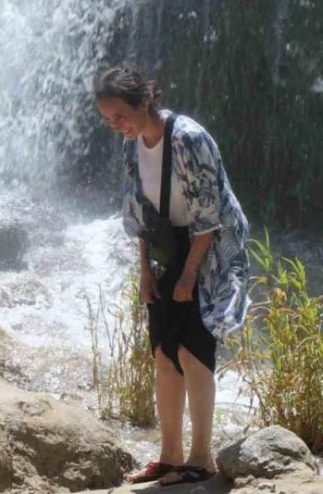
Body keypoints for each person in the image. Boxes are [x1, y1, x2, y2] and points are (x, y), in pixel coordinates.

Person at [95, 67, 250, 487]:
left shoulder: (189, 138)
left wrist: (190, 274)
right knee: (164, 351)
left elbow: (210, 214)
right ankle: (169, 456)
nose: (115, 126)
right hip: (166, 246)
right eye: (108, 120)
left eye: (120, 117)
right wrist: (145, 270)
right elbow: (140, 213)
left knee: (194, 351)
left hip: (209, 246)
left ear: (144, 102)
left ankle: (201, 459)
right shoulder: (133, 145)